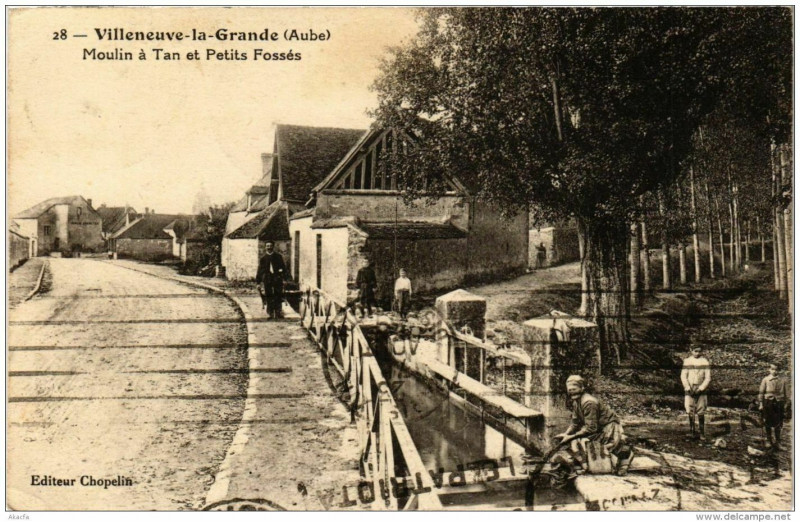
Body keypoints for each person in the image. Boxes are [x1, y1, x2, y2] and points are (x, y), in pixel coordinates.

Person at [554, 375, 632, 475]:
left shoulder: (589, 402)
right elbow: (575, 423)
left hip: (609, 428)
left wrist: (570, 437)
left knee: (583, 442)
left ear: (582, 388)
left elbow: (591, 428)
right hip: (597, 428)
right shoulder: (576, 402)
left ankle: (624, 459)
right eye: (569, 390)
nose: (571, 392)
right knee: (574, 442)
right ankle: (584, 464)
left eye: (574, 389)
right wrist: (566, 434)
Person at [681, 346, 712, 441]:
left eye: (699, 351)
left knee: (701, 409)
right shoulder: (687, 361)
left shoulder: (705, 362)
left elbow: (708, 378)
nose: (697, 353)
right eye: (695, 351)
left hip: (701, 388)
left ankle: (702, 433)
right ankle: (692, 431)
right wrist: (687, 387)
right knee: (690, 408)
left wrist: (701, 388)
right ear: (691, 351)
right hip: (690, 387)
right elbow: (683, 376)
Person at [759, 362, 788, 449]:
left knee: (778, 423)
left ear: (779, 370)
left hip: (779, 403)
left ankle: (778, 442)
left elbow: (786, 394)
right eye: (772, 369)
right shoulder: (765, 380)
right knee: (767, 421)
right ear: (769, 369)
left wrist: (786, 405)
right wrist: (761, 404)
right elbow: (761, 393)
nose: (774, 371)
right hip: (768, 403)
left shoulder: (783, 380)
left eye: (776, 369)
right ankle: (768, 440)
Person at [256, 240, 287, 319]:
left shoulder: (278, 257)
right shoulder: (263, 259)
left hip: (277, 278)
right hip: (267, 279)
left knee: (278, 295)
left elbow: (283, 268)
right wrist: (258, 282)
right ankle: (270, 313)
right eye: (267, 246)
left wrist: (284, 279)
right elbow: (259, 271)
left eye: (270, 246)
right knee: (269, 296)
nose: (269, 247)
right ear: (265, 247)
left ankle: (278, 312)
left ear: (273, 247)